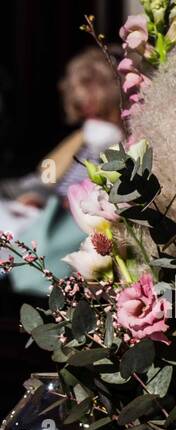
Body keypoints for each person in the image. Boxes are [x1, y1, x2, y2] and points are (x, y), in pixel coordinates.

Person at [1, 48, 124, 293]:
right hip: (39, 217)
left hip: (67, 228)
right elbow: (45, 175)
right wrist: (38, 195)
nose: (86, 109)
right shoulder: (81, 138)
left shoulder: (123, 145)